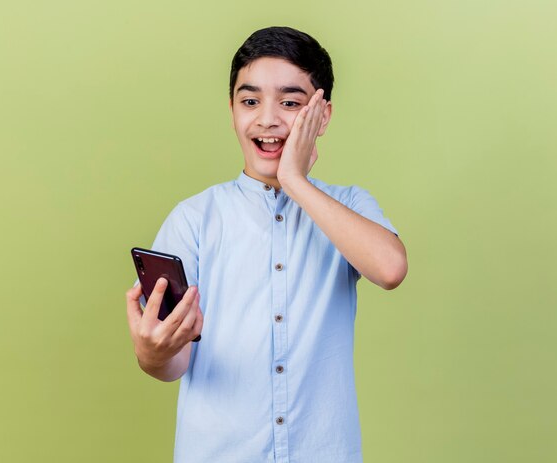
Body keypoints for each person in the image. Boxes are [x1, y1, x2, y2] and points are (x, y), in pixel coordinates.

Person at [126, 26, 408, 463]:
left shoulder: (348, 205)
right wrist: (152, 353)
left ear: (323, 115)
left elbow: (390, 269)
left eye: (291, 103)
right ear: (232, 109)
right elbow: (172, 361)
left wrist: (295, 182)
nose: (268, 119)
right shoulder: (194, 218)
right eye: (250, 101)